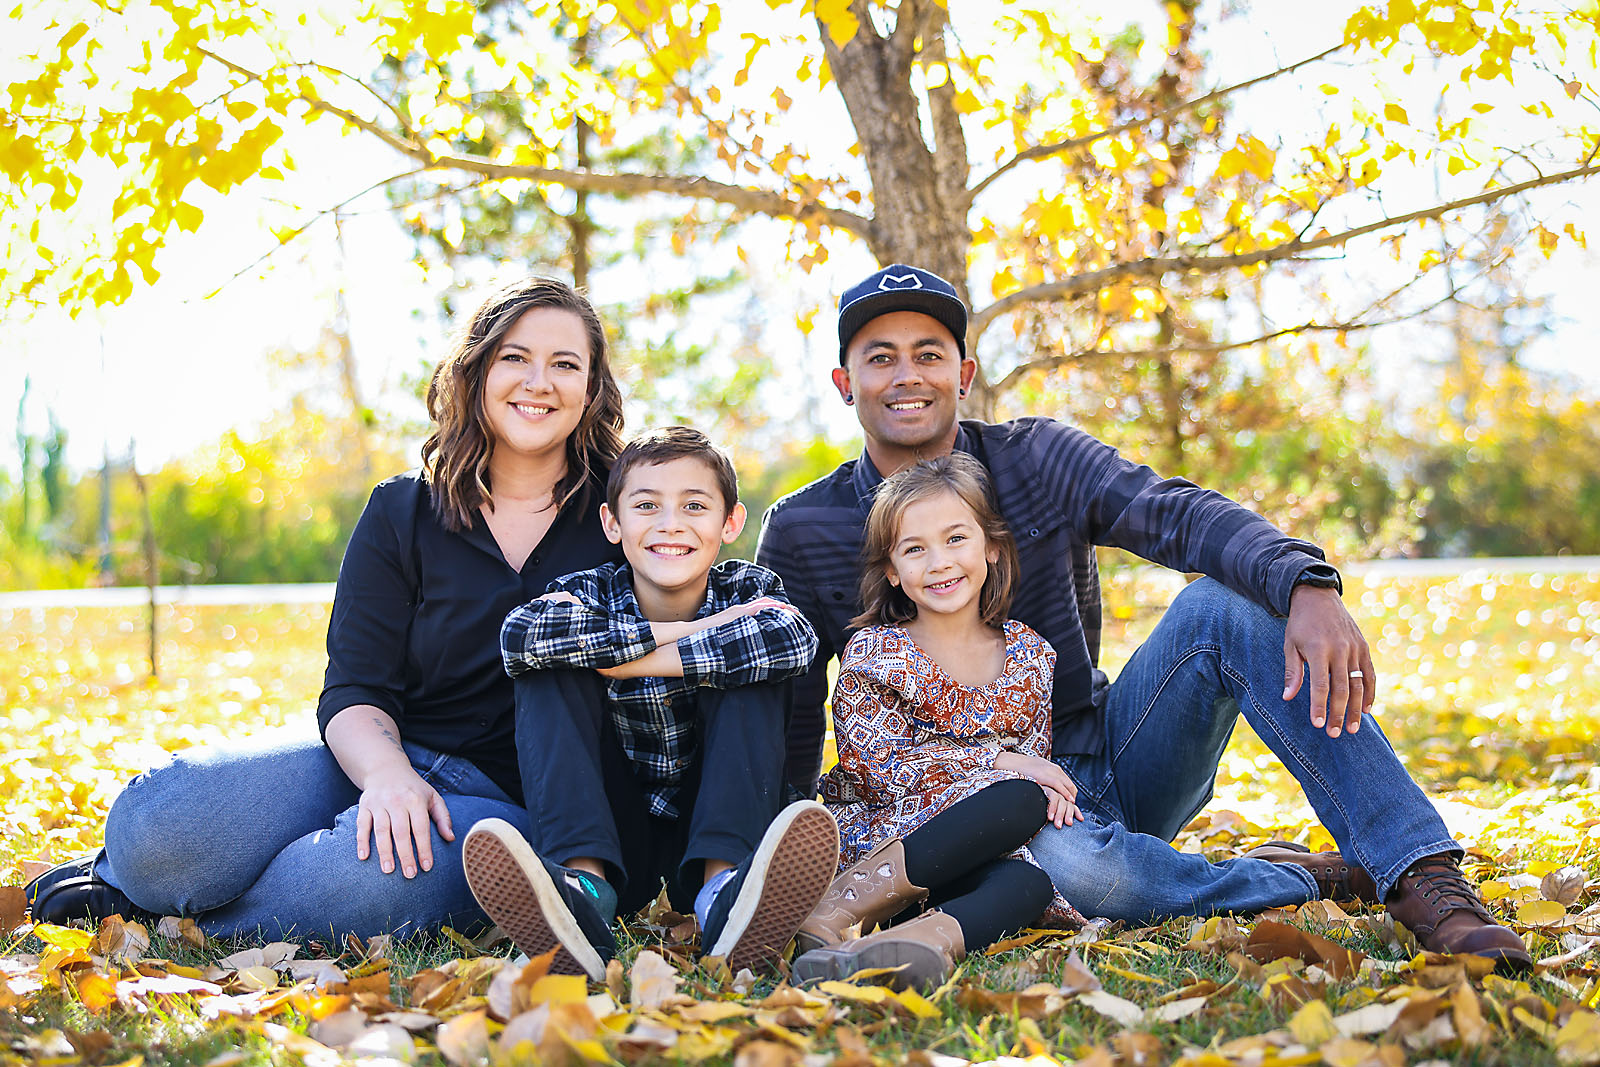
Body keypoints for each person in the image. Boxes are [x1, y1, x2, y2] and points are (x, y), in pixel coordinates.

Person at [756, 263, 1532, 970]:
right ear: (843, 380)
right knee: (1072, 868)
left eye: (928, 353)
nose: (906, 374)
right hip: (948, 812)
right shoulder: (803, 526)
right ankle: (1298, 875)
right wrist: (770, 866)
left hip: (1105, 763)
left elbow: (1175, 513)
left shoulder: (1039, 458)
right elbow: (787, 708)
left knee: (1222, 604)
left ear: (963, 373)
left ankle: (1420, 872)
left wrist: (1305, 583)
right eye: (880, 356)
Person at [25, 277, 627, 940]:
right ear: (477, 369)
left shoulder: (624, 519)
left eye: (565, 364)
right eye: (515, 356)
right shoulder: (402, 510)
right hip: (373, 752)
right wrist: (389, 776)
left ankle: (180, 922)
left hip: (501, 809)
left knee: (353, 887)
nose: (538, 381)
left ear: (593, 389)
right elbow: (356, 687)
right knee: (158, 823)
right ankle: (132, 877)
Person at [463, 426, 839, 979]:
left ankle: (725, 894)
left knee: (752, 668)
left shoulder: (748, 589)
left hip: (711, 823)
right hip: (614, 833)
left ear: (729, 522)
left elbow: (791, 639)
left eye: (694, 505)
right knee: (549, 667)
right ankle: (581, 892)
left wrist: (632, 654)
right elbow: (521, 635)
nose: (670, 524)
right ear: (612, 524)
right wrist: (704, 630)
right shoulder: (589, 589)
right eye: (646, 505)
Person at [790, 454, 1087, 990]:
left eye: (956, 539)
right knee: (1016, 797)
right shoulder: (877, 653)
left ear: (992, 548)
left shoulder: (1032, 655)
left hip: (974, 851)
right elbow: (878, 766)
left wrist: (1049, 787)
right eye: (914, 549)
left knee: (1028, 885)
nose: (938, 562)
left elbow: (1035, 757)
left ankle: (904, 948)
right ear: (892, 572)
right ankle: (830, 912)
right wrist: (999, 762)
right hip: (885, 842)